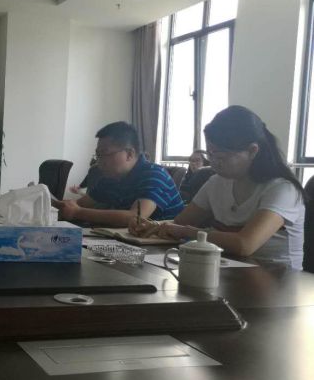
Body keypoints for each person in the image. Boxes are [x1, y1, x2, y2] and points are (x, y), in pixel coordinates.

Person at [131, 106, 306, 269]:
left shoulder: (283, 189)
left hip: (277, 280)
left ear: (252, 151)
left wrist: (187, 232)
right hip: (228, 271)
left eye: (221, 156)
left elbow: (244, 244)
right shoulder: (216, 183)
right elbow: (180, 222)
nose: (214, 162)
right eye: (210, 154)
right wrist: (153, 226)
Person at [54, 122, 184, 226]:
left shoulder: (155, 175)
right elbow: (78, 204)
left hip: (166, 247)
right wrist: (55, 205)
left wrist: (78, 212)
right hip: (128, 242)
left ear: (129, 154)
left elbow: (136, 217)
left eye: (105, 153)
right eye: (98, 155)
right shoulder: (110, 179)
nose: (99, 162)